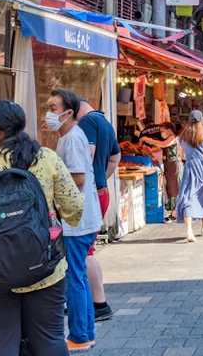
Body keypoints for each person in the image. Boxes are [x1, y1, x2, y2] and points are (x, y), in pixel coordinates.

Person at [0, 100, 85, 355]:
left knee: (1, 344)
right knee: (50, 339)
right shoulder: (47, 158)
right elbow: (75, 208)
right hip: (46, 268)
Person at [46, 89, 102, 352]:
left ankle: (79, 335)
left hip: (76, 221)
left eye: (53, 107)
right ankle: (85, 332)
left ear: (68, 112)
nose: (49, 113)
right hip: (80, 218)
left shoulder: (71, 139)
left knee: (74, 277)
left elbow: (77, 178)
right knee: (78, 276)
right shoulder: (70, 137)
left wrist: (49, 181)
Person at [77, 99, 119, 323]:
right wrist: (102, 179)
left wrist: (87, 183)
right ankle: (89, 300)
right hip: (100, 192)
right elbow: (115, 157)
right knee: (85, 249)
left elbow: (87, 154)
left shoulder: (87, 122)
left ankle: (99, 304)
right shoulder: (104, 121)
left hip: (89, 194)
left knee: (84, 251)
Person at [176, 110, 203, 242]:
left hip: (190, 168)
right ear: (201, 121)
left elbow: (182, 156)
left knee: (189, 197)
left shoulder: (183, 138)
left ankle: (189, 231)